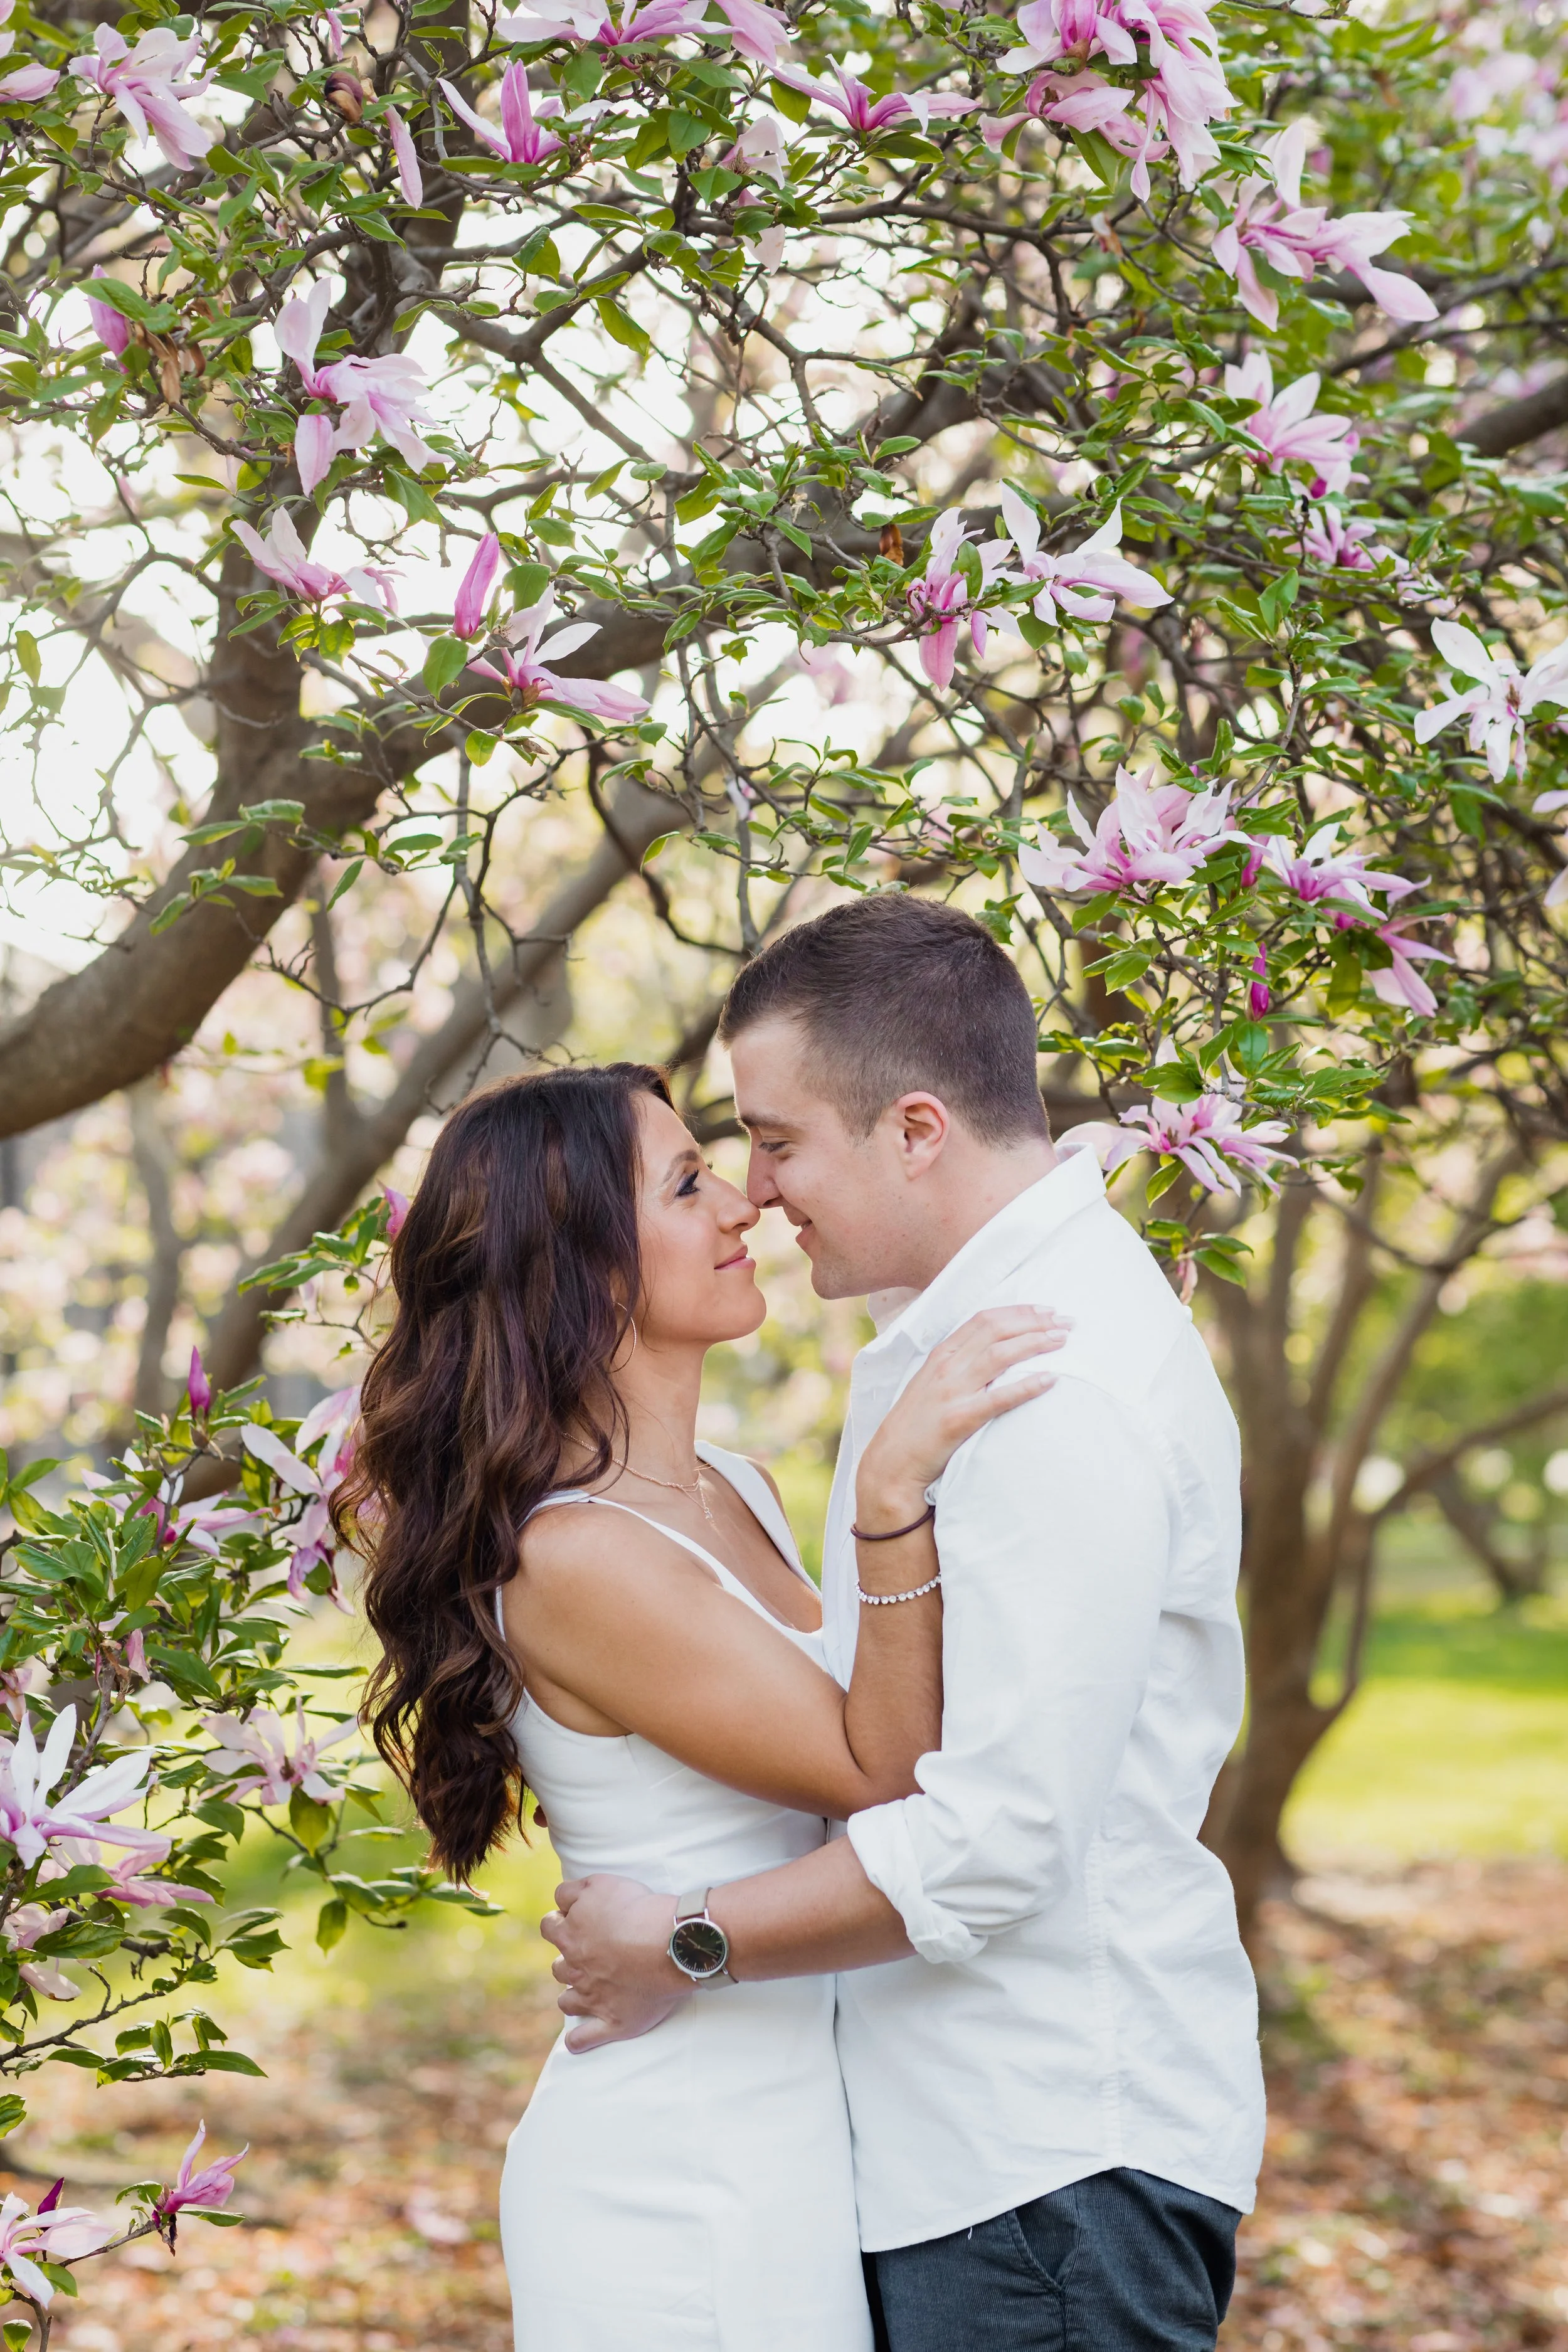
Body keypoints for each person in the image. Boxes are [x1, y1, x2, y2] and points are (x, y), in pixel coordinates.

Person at [544, 895, 1268, 2352]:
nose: (758, 1191)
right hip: (962, 2157)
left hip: (1041, 2159)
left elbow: (995, 1837)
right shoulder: (957, 1349)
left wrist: (684, 1938)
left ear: (916, 1130)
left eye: (776, 1140)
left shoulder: (1045, 1382)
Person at [341, 1059, 1066, 2351]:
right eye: (686, 1184)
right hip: (677, 2181)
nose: (743, 1203)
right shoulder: (572, 1557)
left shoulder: (733, 1482)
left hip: (800, 2143)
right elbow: (882, 1769)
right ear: (578, 1265)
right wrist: (888, 1495)